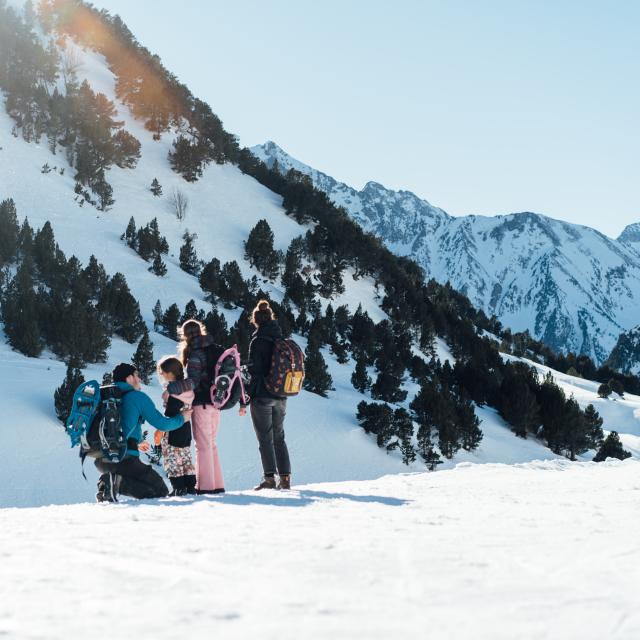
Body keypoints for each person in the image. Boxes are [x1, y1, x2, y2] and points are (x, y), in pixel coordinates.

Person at [95, 363, 192, 502]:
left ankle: (110, 484)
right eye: (136, 375)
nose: (139, 379)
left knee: (147, 486)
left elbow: (120, 422)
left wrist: (138, 441)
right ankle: (115, 483)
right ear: (129, 378)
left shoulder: (106, 397)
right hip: (124, 458)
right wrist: (182, 418)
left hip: (101, 459)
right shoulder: (137, 397)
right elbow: (162, 424)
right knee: (160, 491)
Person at [247, 300, 291, 490]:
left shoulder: (258, 341)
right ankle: (286, 479)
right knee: (279, 436)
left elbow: (256, 370)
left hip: (262, 395)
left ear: (255, 320)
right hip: (281, 395)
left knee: (265, 438)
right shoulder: (280, 339)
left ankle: (269, 479)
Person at [179, 320, 225, 494]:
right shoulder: (215, 348)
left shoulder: (195, 354)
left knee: (203, 446)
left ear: (185, 335)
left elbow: (194, 381)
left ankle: (205, 487)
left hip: (201, 404)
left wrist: (175, 387)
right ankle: (217, 484)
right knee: (211, 444)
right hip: (216, 403)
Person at [155, 356, 197, 497]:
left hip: (174, 430)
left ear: (170, 373)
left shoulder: (174, 394)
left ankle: (178, 488)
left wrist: (161, 427)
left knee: (172, 460)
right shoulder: (187, 390)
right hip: (186, 429)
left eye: (163, 371)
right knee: (185, 458)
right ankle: (190, 487)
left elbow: (170, 413)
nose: (161, 374)